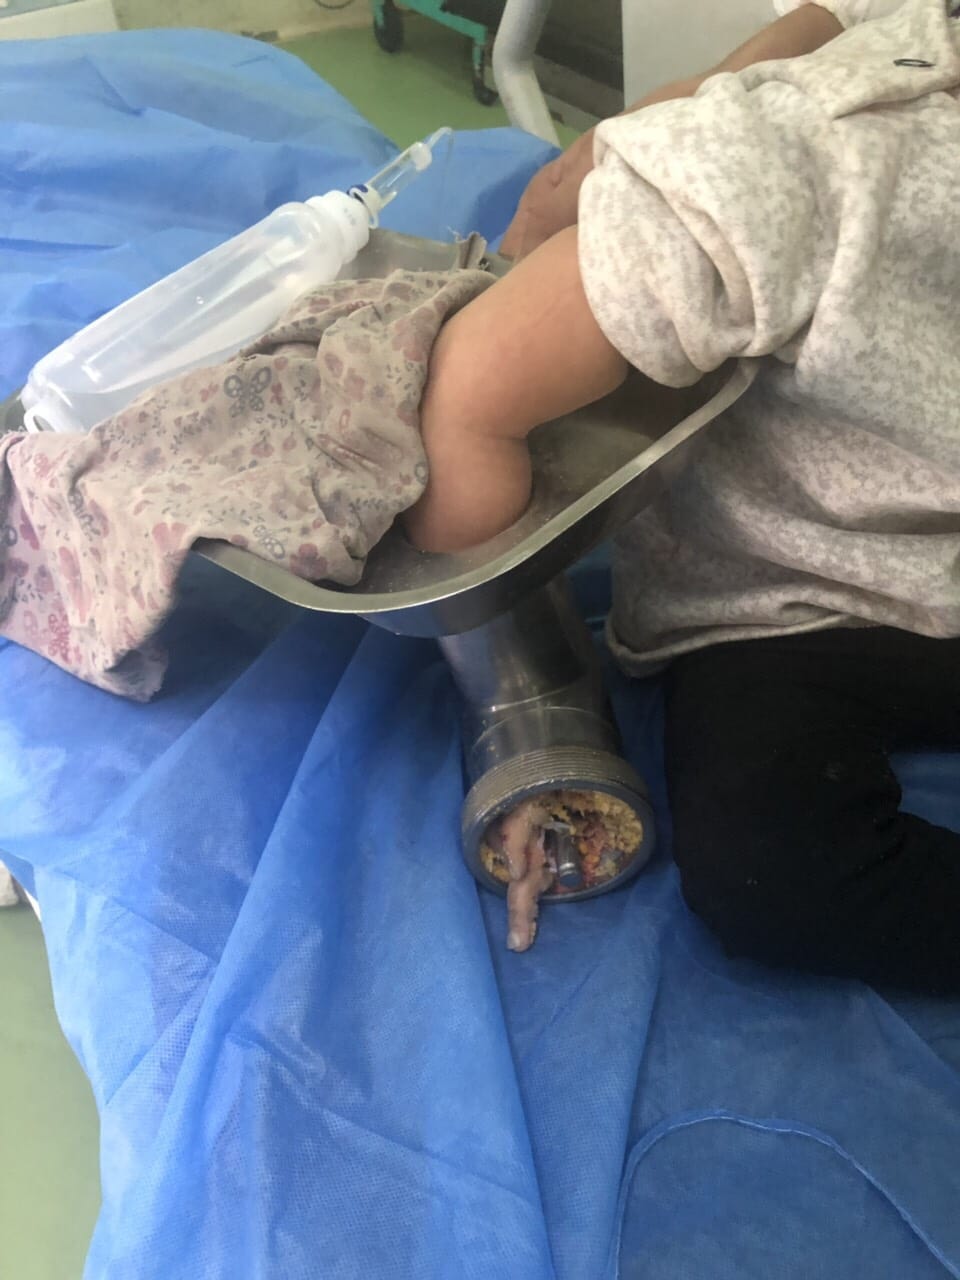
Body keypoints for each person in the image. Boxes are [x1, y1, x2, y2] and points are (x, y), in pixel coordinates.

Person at [403, 0, 960, 992]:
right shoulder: (795, 169)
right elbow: (467, 400)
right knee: (773, 871)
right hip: (799, 591)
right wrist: (532, 721)